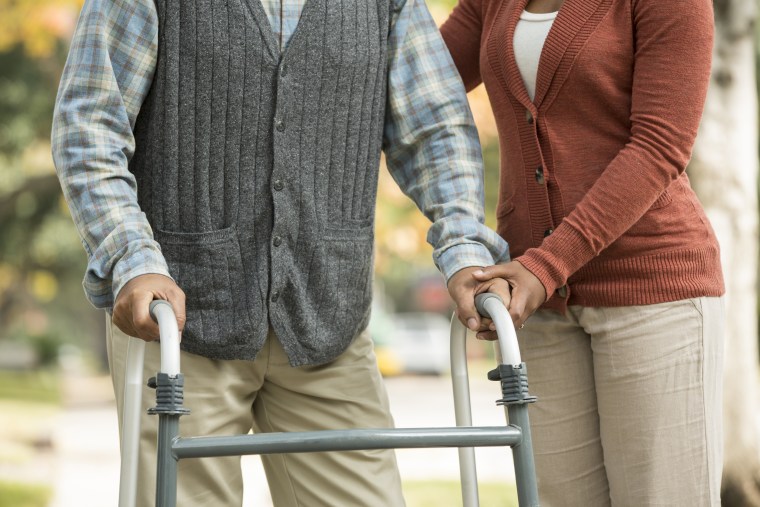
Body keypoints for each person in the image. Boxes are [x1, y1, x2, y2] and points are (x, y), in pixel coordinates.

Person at [51, 0, 510, 505]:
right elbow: (89, 126)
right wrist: (131, 258)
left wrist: (464, 247)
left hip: (327, 319)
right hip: (177, 322)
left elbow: (434, 129)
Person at [441, 0, 725, 505]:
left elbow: (660, 145)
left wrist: (545, 265)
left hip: (649, 291)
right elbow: (418, 76)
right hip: (538, 303)